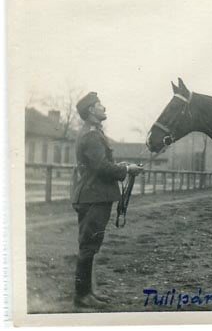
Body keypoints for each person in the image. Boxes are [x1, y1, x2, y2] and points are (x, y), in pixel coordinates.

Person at [70, 92, 143, 309]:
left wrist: (121, 166)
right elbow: (101, 168)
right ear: (92, 110)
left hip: (95, 196)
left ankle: (86, 293)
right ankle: (82, 296)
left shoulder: (93, 134)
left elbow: (100, 163)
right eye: (100, 105)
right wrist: (126, 169)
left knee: (90, 245)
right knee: (88, 246)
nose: (104, 108)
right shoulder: (92, 136)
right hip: (94, 197)